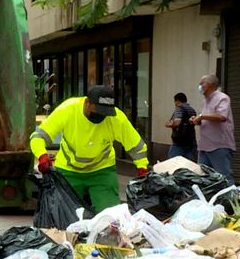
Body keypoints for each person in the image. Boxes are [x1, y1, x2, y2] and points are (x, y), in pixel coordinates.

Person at [31, 85, 149, 213]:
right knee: (64, 214)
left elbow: (136, 145)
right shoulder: (68, 110)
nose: (101, 115)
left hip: (101, 171)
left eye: (105, 112)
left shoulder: (115, 118)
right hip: (69, 171)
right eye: (98, 110)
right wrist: (42, 155)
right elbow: (38, 136)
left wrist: (142, 167)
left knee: (110, 216)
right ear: (87, 102)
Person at [190, 74, 235, 184]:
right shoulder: (205, 101)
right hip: (205, 146)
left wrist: (201, 116)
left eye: (202, 83)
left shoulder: (222, 98)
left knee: (224, 177)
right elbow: (206, 120)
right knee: (203, 178)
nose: (200, 86)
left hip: (219, 145)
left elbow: (222, 117)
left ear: (211, 84)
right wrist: (197, 120)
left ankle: (230, 194)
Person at [165, 92, 197, 160]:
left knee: (172, 163)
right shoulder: (192, 110)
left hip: (179, 143)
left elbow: (177, 122)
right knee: (189, 164)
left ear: (177, 101)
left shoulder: (180, 109)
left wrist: (168, 124)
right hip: (191, 142)